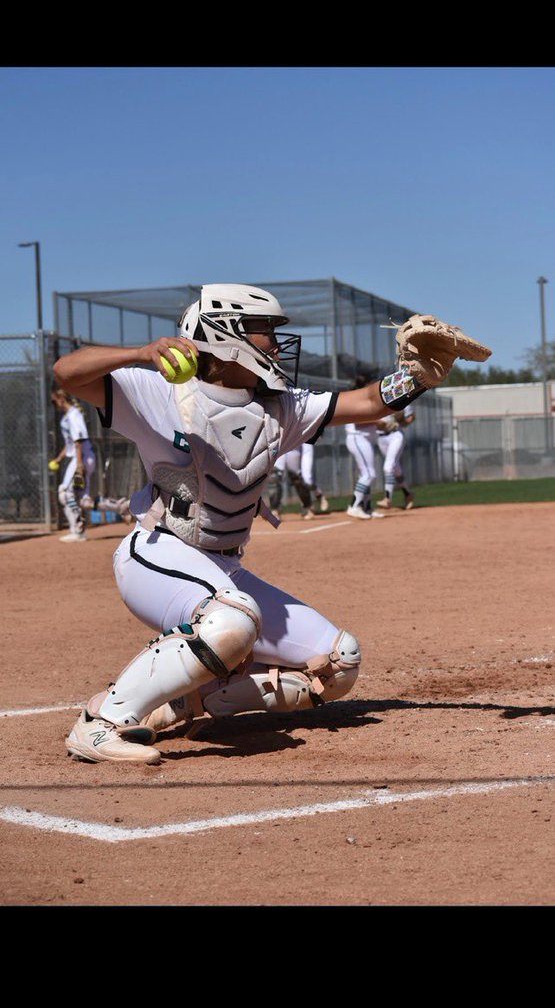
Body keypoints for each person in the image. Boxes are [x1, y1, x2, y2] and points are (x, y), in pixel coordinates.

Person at [53, 282, 432, 765]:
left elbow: (369, 403)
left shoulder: (280, 406)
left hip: (224, 567)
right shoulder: (159, 390)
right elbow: (67, 372)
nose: (276, 344)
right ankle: (101, 721)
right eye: (264, 331)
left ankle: (192, 700)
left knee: (338, 663)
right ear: (225, 335)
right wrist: (142, 352)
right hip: (156, 552)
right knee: (234, 619)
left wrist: (419, 375)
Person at [50, 388, 97, 543]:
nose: (54, 404)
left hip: (82, 457)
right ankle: (120, 506)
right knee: (84, 499)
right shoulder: (67, 417)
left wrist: (79, 464)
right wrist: (58, 458)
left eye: (54, 401)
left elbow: (78, 442)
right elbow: (70, 443)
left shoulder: (74, 415)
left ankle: (77, 531)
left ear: (61, 399)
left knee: (65, 492)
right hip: (81, 457)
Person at [344, 373, 385, 520]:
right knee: (369, 474)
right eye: (371, 384)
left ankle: (366, 507)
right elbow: (358, 421)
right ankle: (354, 506)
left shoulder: (365, 398)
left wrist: (382, 425)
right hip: (357, 439)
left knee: (365, 475)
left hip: (365, 439)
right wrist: (378, 422)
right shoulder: (358, 398)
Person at [268, 443, 328, 520]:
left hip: (296, 446)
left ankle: (310, 504)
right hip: (278, 447)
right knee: (274, 477)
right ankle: (275, 511)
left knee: (302, 479)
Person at [376, 405, 416, 510]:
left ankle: (387, 499)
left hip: (395, 436)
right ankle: (408, 493)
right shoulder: (376, 399)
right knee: (396, 469)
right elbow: (377, 423)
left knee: (388, 467)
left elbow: (411, 416)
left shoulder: (401, 399)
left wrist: (401, 423)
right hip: (381, 438)